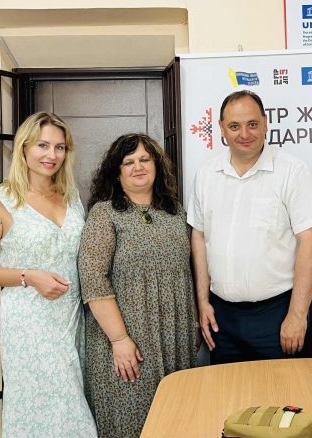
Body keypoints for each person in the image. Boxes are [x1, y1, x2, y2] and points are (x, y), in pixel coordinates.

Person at [0, 112, 97, 437]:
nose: (52, 155)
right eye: (42, 145)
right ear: (24, 148)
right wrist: (30, 276)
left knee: (69, 407)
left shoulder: (72, 197)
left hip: (71, 320)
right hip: (29, 325)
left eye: (59, 147)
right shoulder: (0, 201)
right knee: (49, 413)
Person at [188, 90, 312, 364]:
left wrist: (297, 314)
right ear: (221, 128)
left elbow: (311, 240)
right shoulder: (206, 174)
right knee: (229, 391)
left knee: (285, 391)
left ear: (265, 123)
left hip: (278, 315)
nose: (245, 133)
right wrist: (203, 302)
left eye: (252, 124)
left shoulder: (292, 171)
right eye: (234, 126)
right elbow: (199, 237)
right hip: (221, 319)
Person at [78, 133, 197, 438]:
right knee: (132, 426)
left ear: (157, 165)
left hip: (174, 338)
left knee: (176, 424)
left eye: (145, 159)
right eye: (128, 162)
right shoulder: (105, 214)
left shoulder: (175, 213)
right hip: (127, 344)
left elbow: (188, 273)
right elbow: (93, 278)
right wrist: (119, 340)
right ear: (116, 172)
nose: (138, 167)